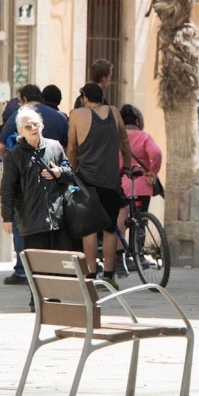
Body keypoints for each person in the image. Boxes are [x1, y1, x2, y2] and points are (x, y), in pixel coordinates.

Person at [0, 107, 75, 310]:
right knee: (37, 263)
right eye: (28, 126)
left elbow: (70, 172)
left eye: (36, 124)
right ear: (20, 131)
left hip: (57, 215)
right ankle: (38, 301)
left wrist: (59, 172)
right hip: (31, 218)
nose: (33, 128)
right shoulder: (15, 155)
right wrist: (7, 217)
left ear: (42, 125)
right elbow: (7, 188)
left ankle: (54, 299)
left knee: (56, 261)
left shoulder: (55, 146)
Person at [67, 83, 132, 291]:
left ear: (84, 97)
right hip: (111, 179)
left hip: (86, 178)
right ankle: (109, 276)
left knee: (90, 230)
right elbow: (124, 140)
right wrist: (127, 165)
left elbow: (72, 148)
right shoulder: (114, 112)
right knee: (110, 229)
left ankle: (91, 275)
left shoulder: (77, 114)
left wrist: (72, 173)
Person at [115, 104, 163, 272]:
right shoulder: (144, 136)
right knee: (140, 220)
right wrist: (152, 171)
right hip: (142, 183)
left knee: (120, 218)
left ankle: (120, 257)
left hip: (121, 182)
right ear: (138, 120)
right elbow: (156, 153)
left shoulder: (116, 137)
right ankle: (139, 256)